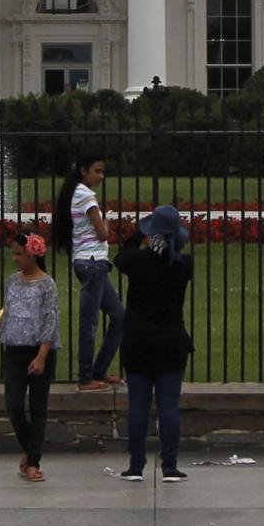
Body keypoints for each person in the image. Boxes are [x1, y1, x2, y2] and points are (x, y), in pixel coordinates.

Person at [114, 205, 193, 482]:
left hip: (138, 340)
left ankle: (136, 465)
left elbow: (121, 256)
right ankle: (169, 466)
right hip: (172, 341)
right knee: (169, 406)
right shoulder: (184, 265)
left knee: (138, 406)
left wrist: (138, 234)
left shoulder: (136, 261)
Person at [0, 233, 58, 482]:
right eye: (13, 253)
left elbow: (50, 320)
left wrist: (42, 355)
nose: (15, 259)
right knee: (13, 405)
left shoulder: (47, 284)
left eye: (19, 254)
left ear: (34, 254)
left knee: (37, 407)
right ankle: (30, 449)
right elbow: (9, 311)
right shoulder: (13, 281)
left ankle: (33, 462)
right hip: (13, 349)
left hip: (39, 350)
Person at [53, 153, 124, 392]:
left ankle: (99, 371)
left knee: (119, 317)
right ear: (84, 171)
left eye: (103, 171)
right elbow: (102, 235)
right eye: (97, 171)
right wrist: (108, 222)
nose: (101, 176)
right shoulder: (86, 196)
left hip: (92, 264)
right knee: (90, 322)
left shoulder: (75, 193)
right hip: (92, 263)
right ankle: (86, 378)